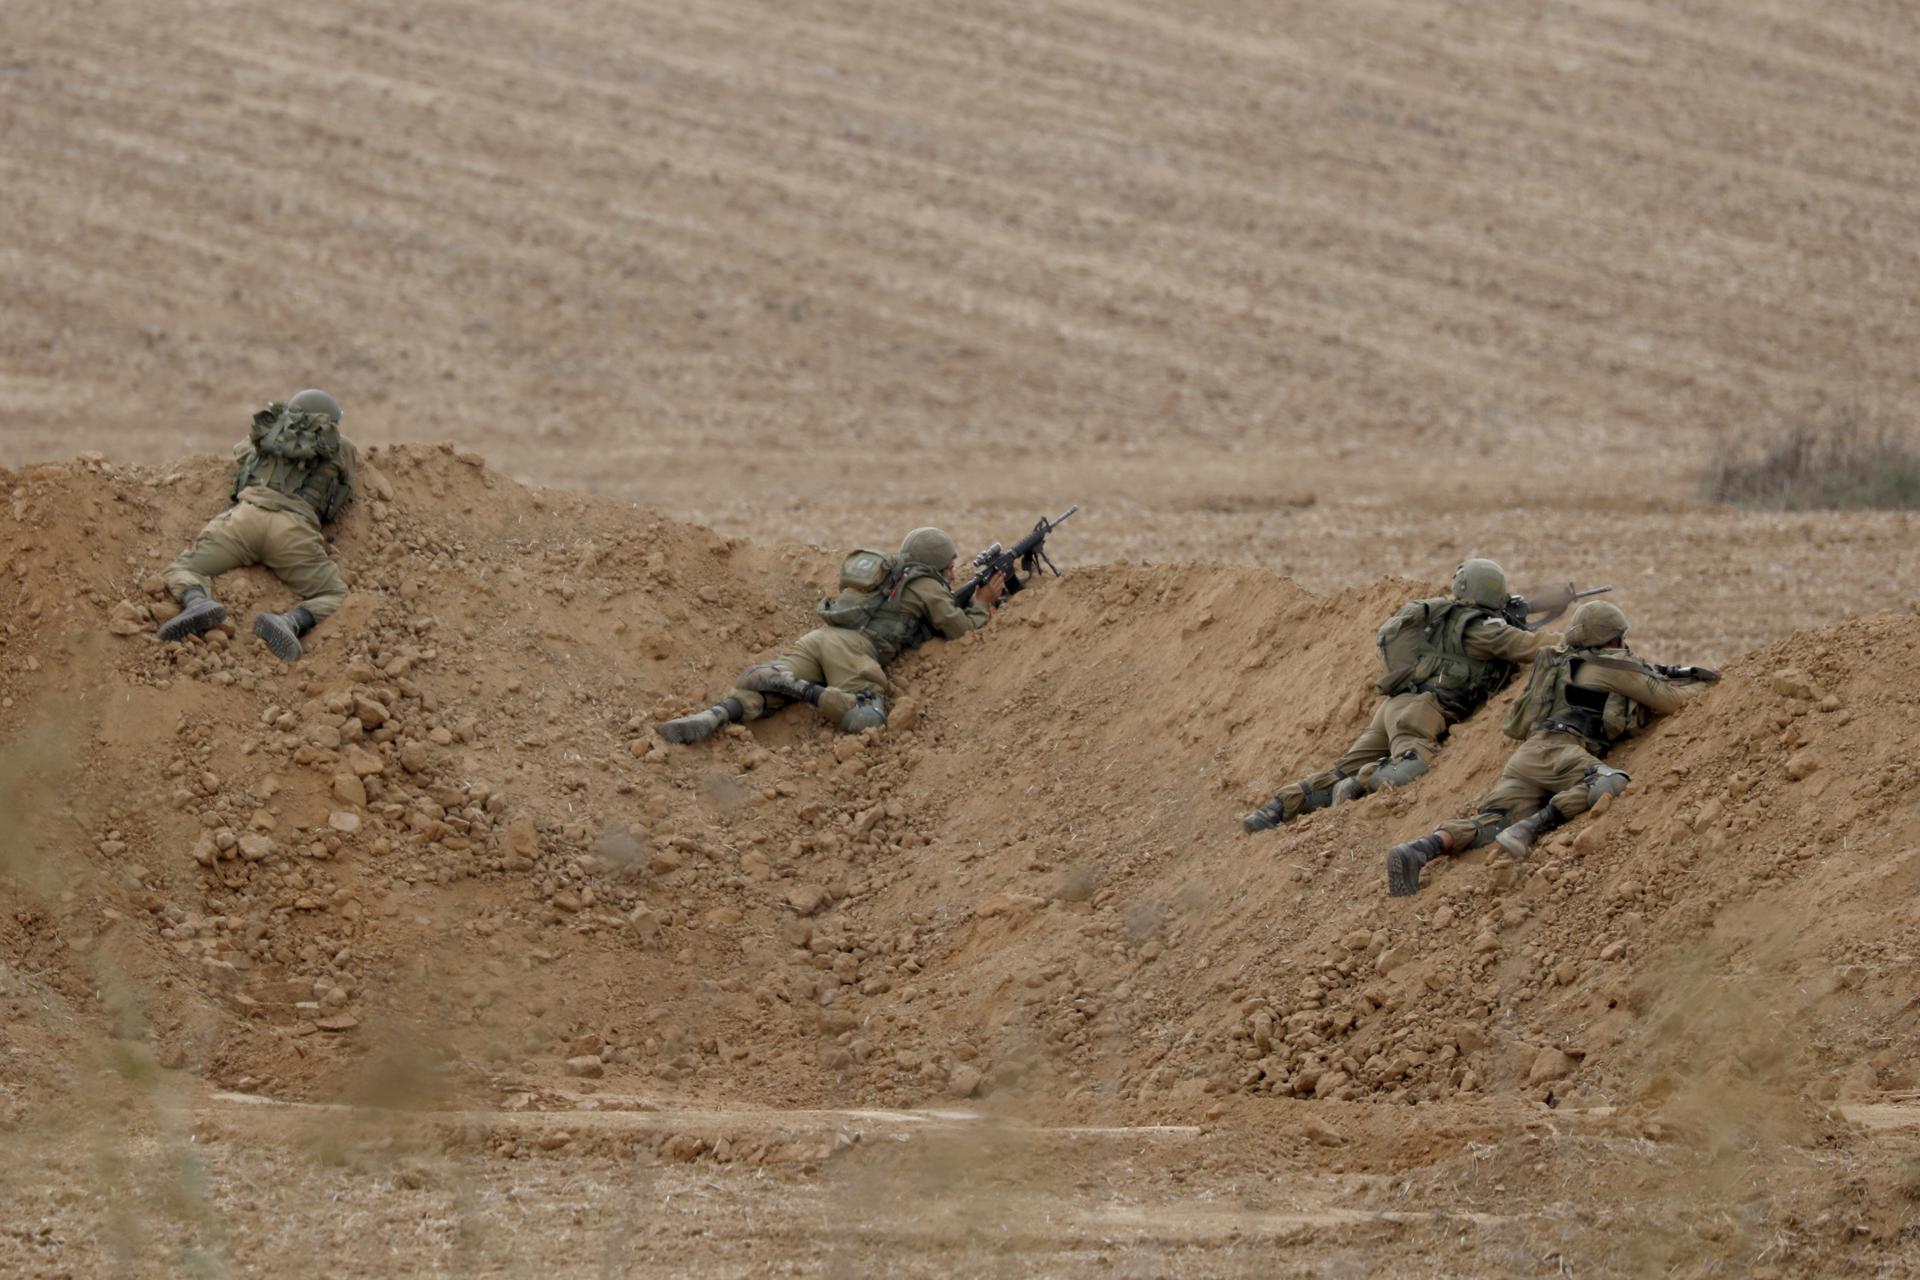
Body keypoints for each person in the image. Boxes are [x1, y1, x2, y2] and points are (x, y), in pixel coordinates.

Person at [1385, 600, 1717, 896]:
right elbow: (1672, 701)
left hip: (1525, 757)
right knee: (1610, 782)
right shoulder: (1609, 666)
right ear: (1612, 638)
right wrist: (1711, 685)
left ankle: (1420, 849)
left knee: (1490, 821)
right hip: (1563, 752)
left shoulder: (1556, 660)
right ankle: (1532, 826)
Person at [1243, 559, 1556, 832]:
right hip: (1422, 712)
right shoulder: (1484, 630)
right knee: (1412, 764)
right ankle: (1359, 784)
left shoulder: (1440, 616)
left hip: (1394, 706)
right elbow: (1535, 647)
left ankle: (1274, 809)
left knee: (1342, 768)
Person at [657, 527, 1005, 742]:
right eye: (950, 564)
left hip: (820, 638)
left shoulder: (889, 574)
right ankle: (809, 691)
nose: (954, 570)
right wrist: (982, 602)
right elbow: (962, 631)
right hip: (853, 649)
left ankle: (718, 713)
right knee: (866, 717)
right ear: (937, 564)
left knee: (763, 689)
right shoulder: (927, 584)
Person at [154, 389, 357, 662]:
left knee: (186, 567)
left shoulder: (270, 434)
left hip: (244, 520)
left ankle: (197, 602)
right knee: (334, 594)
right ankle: (291, 622)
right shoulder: (341, 447)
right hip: (293, 533)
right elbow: (348, 480)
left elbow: (241, 453)